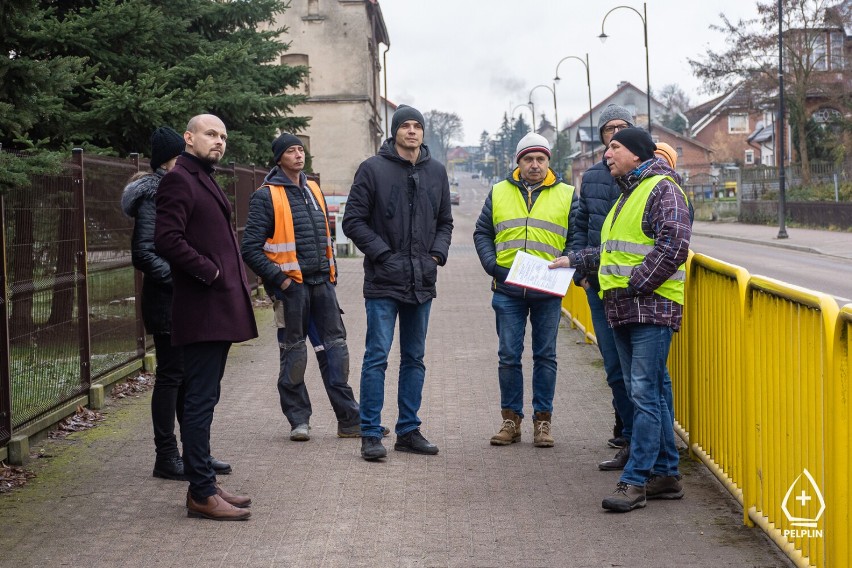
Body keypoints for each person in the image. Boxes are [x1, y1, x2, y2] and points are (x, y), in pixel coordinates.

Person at [550, 127, 691, 512]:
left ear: (637, 154)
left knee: (644, 394)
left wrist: (635, 284)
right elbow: (611, 250)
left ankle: (636, 480)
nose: (607, 154)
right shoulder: (629, 194)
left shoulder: (663, 189)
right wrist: (574, 260)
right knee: (648, 393)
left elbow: (675, 243)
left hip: (649, 308)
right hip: (627, 308)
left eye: (614, 147)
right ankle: (666, 474)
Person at [154, 114, 258, 521]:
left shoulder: (203, 176)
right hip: (202, 309)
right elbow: (166, 239)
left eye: (223, 137)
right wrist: (211, 272)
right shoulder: (179, 178)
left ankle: (206, 483)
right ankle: (200, 492)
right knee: (199, 402)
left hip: (217, 309)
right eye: (211, 134)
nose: (219, 142)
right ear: (189, 137)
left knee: (206, 399)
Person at [120, 126, 234, 481]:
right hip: (167, 300)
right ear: (174, 156)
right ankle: (167, 456)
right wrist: (185, 280)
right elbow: (145, 253)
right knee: (171, 377)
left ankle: (195, 455)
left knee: (189, 379)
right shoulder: (158, 191)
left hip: (183, 299)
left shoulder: (179, 184)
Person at [342, 104, 454, 461]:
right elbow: (353, 221)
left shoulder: (436, 172)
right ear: (394, 132)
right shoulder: (372, 169)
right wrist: (384, 255)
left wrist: (435, 255)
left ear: (423, 133)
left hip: (422, 280)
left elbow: (445, 222)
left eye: (416, 126)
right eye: (404, 125)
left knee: (414, 358)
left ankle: (408, 430)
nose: (411, 131)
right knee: (376, 357)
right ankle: (371, 433)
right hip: (383, 281)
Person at [240, 133, 361, 442]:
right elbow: (250, 249)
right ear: (279, 158)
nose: (298, 155)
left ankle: (350, 420)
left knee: (336, 351)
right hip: (291, 289)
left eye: (300, 149)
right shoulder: (266, 196)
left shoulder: (314, 190)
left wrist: (331, 275)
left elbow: (326, 238)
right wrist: (280, 280)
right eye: (291, 151)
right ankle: (298, 420)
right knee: (294, 354)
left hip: (322, 286)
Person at [473, 132, 577, 448]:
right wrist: (493, 266)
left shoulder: (568, 194)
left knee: (546, 356)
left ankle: (542, 422)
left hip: (548, 290)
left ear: (548, 162)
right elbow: (482, 232)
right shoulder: (498, 192)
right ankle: (511, 420)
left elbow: (576, 238)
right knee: (508, 355)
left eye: (540, 159)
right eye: (528, 159)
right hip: (507, 289)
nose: (535, 165)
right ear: (518, 162)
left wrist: (568, 262)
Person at [571, 104, 635, 471]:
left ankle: (645, 448)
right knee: (612, 366)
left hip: (637, 289)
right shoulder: (593, 177)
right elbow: (580, 224)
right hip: (598, 286)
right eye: (608, 128)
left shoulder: (649, 175)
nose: (614, 133)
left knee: (638, 372)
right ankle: (627, 438)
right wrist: (581, 269)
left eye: (621, 127)